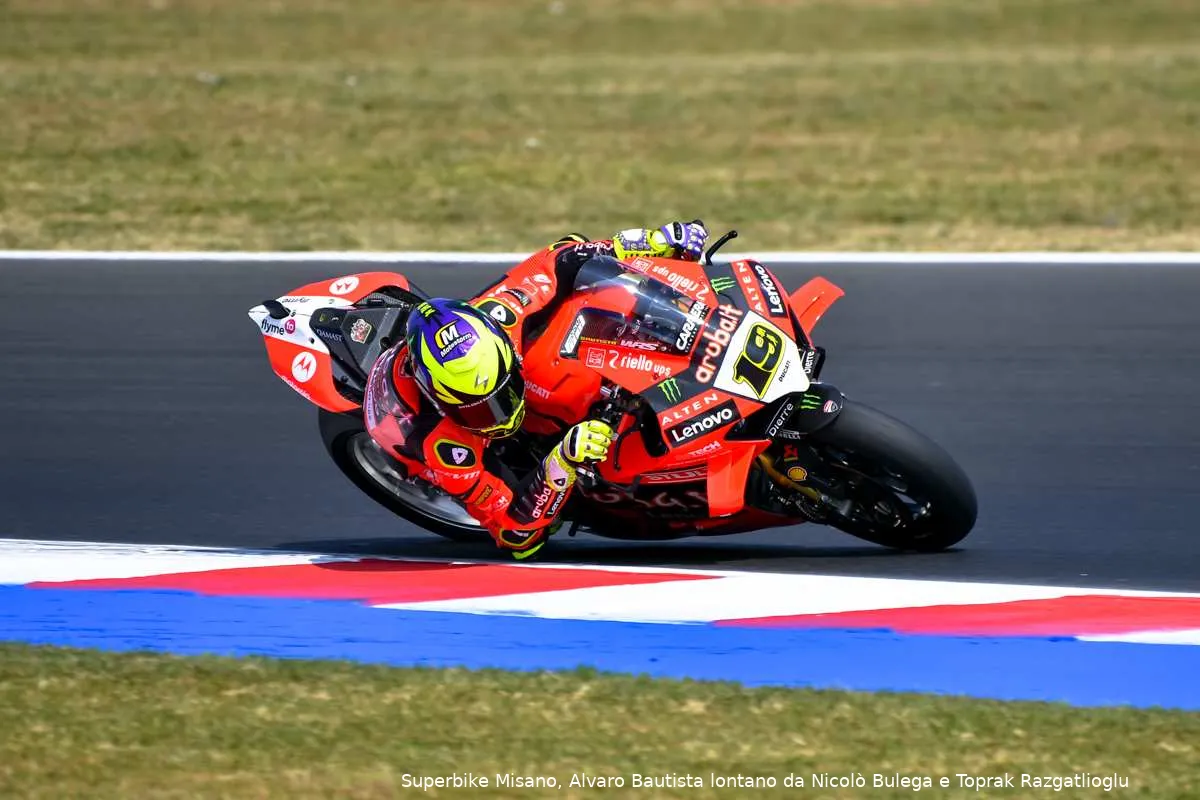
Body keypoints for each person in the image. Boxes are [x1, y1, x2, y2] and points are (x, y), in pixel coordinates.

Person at [362, 220, 710, 559]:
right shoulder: (445, 446)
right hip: (502, 455)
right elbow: (517, 537)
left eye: (502, 394)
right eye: (477, 409)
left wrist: (651, 240)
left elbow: (564, 255)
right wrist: (562, 461)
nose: (499, 413)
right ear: (441, 400)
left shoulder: (503, 312)